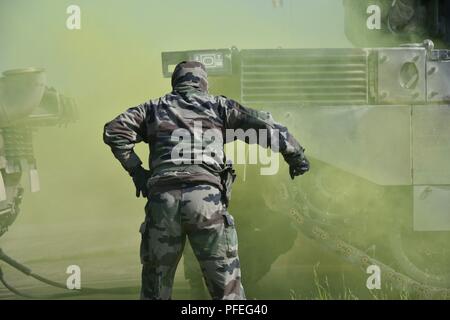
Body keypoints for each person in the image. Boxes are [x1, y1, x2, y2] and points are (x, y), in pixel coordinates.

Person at [103, 61, 309, 300]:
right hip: (205, 200)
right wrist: (296, 155)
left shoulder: (153, 108)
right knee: (226, 289)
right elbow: (265, 124)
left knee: (155, 288)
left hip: (163, 201)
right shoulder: (219, 106)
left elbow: (114, 131)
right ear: (203, 83)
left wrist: (137, 171)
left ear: (175, 82)